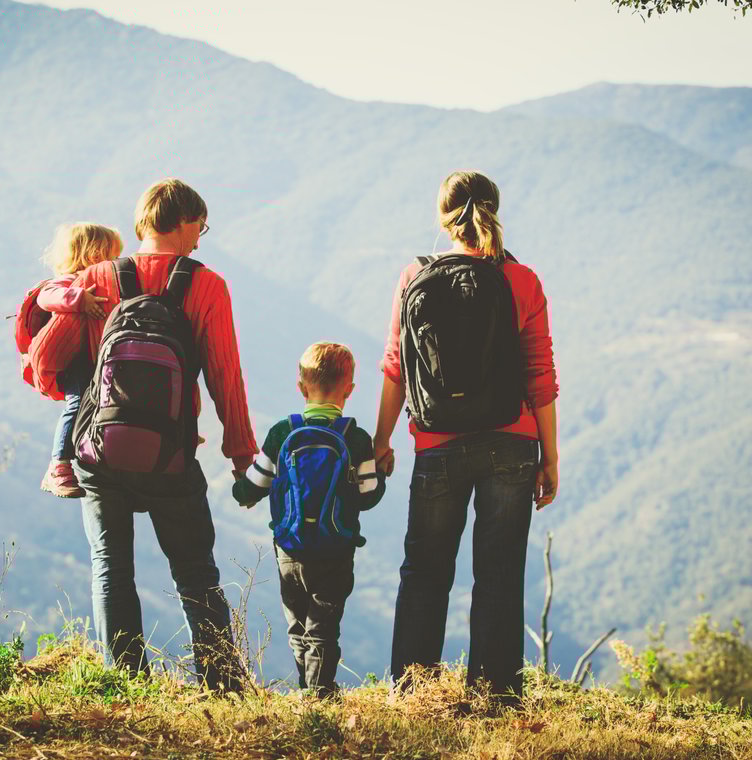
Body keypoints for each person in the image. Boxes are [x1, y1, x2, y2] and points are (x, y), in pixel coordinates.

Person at [35, 178, 257, 691]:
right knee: (195, 570)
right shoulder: (207, 286)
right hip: (172, 457)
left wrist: (74, 392)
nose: (201, 236)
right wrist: (240, 451)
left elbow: (44, 358)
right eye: (200, 224)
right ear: (182, 222)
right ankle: (222, 685)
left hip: (99, 454)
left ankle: (127, 686)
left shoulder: (94, 279)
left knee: (111, 565)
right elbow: (226, 376)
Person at [372, 170, 560, 704]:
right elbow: (540, 373)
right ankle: (496, 697)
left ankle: (412, 692)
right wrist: (551, 458)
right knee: (499, 572)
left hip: (437, 444)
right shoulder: (522, 280)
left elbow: (395, 367)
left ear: (442, 217)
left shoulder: (414, 276)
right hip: (513, 443)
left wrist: (382, 440)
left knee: (425, 569)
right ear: (496, 210)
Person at [231, 342, 385, 695]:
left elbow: (251, 489)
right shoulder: (356, 438)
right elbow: (368, 497)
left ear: (301, 387)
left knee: (298, 625)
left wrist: (241, 489)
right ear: (349, 389)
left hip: (290, 549)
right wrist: (382, 471)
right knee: (324, 627)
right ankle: (320, 694)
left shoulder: (281, 433)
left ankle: (308, 687)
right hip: (336, 549)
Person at [34, 222, 118, 499]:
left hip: (97, 357)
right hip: (75, 361)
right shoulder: (67, 281)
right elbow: (47, 298)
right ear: (92, 254)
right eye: (110, 255)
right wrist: (79, 298)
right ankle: (58, 464)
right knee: (78, 402)